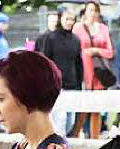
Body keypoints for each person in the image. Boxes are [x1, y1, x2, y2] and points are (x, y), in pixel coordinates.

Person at [36, 7, 82, 137]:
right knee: (59, 122)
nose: (69, 22)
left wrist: (79, 84)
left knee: (70, 122)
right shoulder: (50, 38)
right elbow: (45, 62)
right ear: (60, 19)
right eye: (67, 19)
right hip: (56, 87)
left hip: (72, 86)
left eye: (72, 19)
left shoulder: (76, 40)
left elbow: (78, 64)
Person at [74, 1, 114, 139]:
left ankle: (94, 140)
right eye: (90, 10)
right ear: (85, 11)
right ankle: (74, 136)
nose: (93, 13)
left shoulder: (103, 28)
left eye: (95, 10)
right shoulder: (78, 28)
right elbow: (74, 49)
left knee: (96, 107)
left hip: (99, 71)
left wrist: (95, 50)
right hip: (83, 71)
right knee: (83, 108)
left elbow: (110, 52)